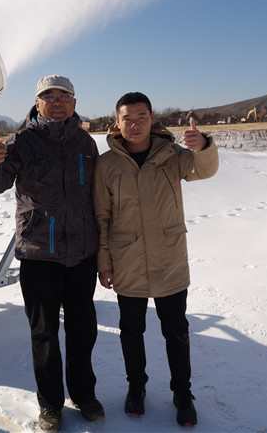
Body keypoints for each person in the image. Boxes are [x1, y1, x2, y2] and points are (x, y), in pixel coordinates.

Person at [0, 75, 104, 432]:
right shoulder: (21, 143)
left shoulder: (86, 143)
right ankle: (50, 405)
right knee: (44, 335)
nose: (57, 101)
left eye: (64, 96)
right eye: (49, 96)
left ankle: (84, 394)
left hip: (81, 253)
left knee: (82, 330)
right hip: (39, 255)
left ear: (74, 102)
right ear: (38, 102)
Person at [93, 92, 219, 427]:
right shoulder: (106, 164)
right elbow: (101, 218)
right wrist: (104, 262)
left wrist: (203, 146)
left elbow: (204, 171)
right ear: (116, 123)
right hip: (127, 259)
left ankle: (182, 393)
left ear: (152, 118)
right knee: (131, 331)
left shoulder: (172, 155)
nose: (134, 125)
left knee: (176, 330)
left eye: (141, 117)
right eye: (127, 118)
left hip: (169, 257)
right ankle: (136, 389)